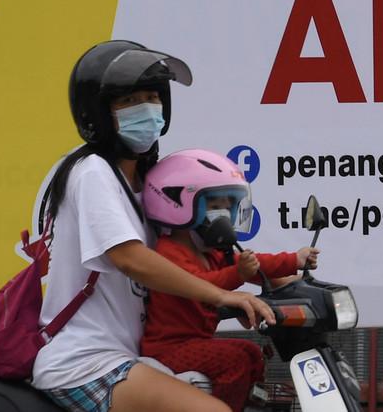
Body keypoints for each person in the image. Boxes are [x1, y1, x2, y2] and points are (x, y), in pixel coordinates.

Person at [31, 41, 275, 412]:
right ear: (98, 112)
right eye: (128, 101)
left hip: (129, 358)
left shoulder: (146, 187)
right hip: (85, 363)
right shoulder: (93, 172)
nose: (146, 109)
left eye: (152, 97)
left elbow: (188, 259)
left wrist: (274, 276)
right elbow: (131, 259)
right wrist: (222, 296)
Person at [140, 149, 319, 412]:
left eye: (228, 205)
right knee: (234, 360)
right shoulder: (169, 252)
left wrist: (295, 259)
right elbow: (200, 285)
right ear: (178, 204)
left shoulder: (212, 252)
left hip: (195, 342)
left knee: (252, 354)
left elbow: (256, 262)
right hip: (168, 349)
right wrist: (238, 275)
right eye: (214, 206)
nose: (223, 213)